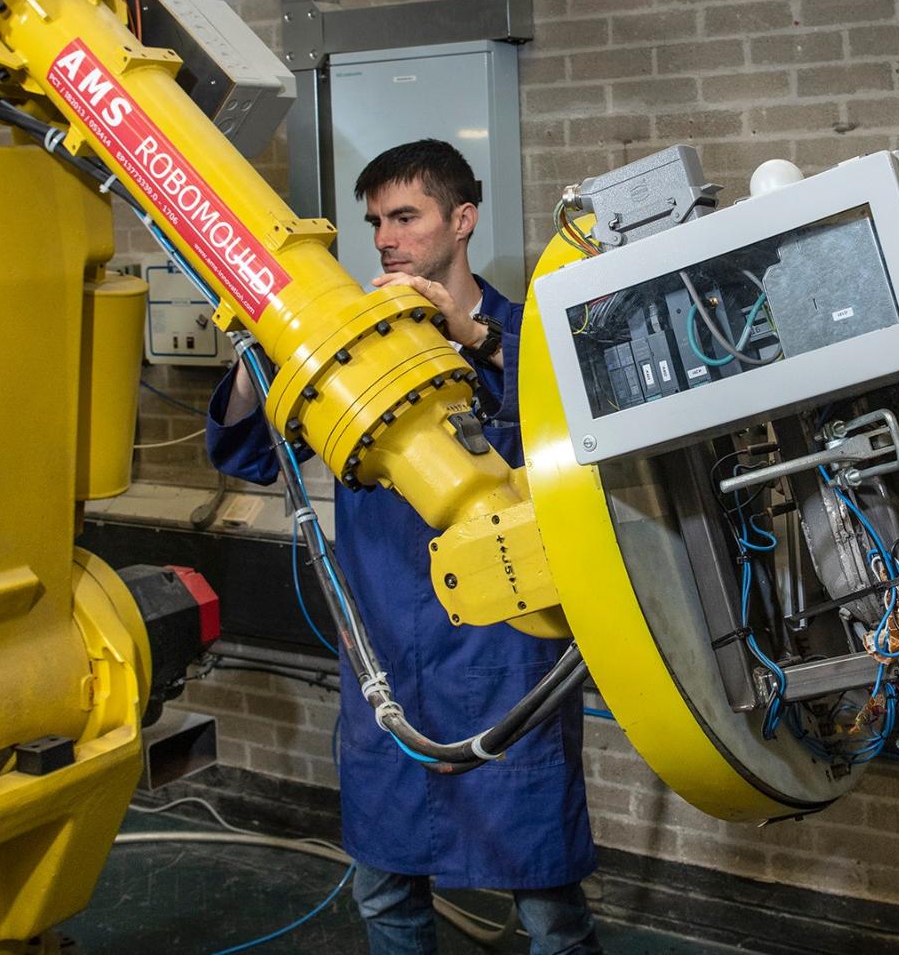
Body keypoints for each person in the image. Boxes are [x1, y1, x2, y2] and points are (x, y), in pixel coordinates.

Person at [205, 140, 602, 955]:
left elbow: (581, 415)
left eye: (405, 216)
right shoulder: (355, 347)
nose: (386, 238)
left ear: (461, 221)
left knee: (547, 907)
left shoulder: (529, 334)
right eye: (375, 221)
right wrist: (259, 353)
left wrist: (473, 336)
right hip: (386, 651)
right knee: (386, 895)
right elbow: (246, 455)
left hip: (506, 654)